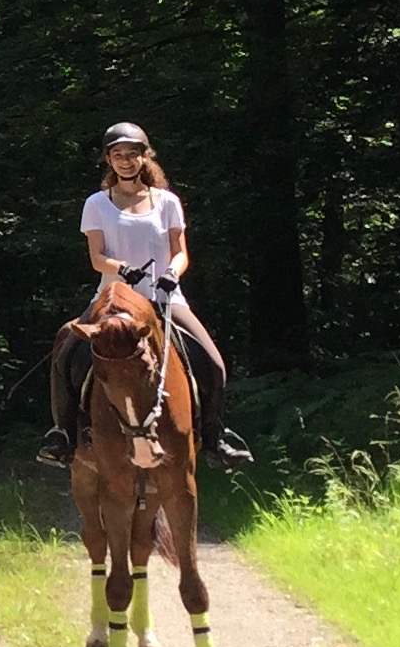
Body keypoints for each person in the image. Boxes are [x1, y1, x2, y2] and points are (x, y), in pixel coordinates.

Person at [39, 123, 254, 472]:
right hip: (112, 299)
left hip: (164, 299)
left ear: (145, 157)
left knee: (213, 363)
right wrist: (122, 269)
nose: (125, 161)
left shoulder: (167, 202)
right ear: (108, 160)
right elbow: (96, 257)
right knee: (66, 349)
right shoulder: (96, 204)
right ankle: (63, 434)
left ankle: (216, 436)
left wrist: (172, 273)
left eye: (132, 154)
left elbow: (180, 252)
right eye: (118, 155)